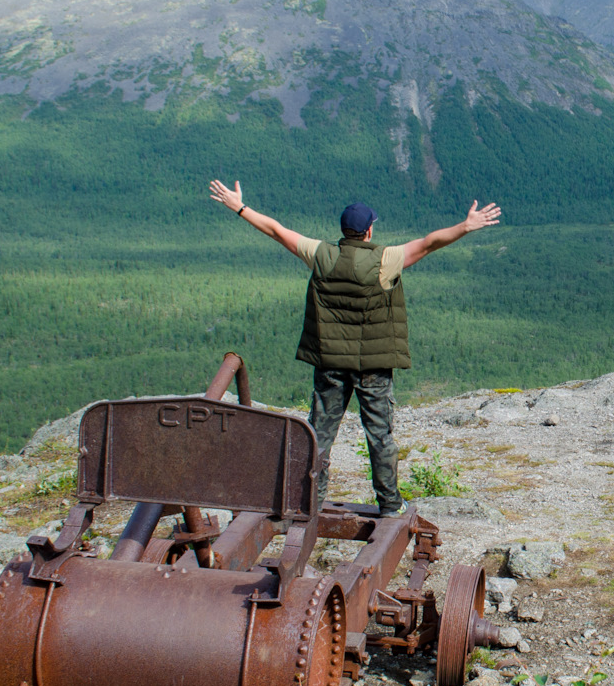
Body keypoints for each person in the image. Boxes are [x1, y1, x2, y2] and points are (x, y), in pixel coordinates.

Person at [208, 180, 502, 515]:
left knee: (319, 434)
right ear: (368, 231)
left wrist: (240, 208)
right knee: (380, 436)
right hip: (373, 369)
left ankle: (310, 502)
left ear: (345, 231)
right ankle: (390, 504)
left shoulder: (320, 254)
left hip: (330, 366)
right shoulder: (385, 260)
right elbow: (430, 243)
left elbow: (276, 230)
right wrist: (466, 226)